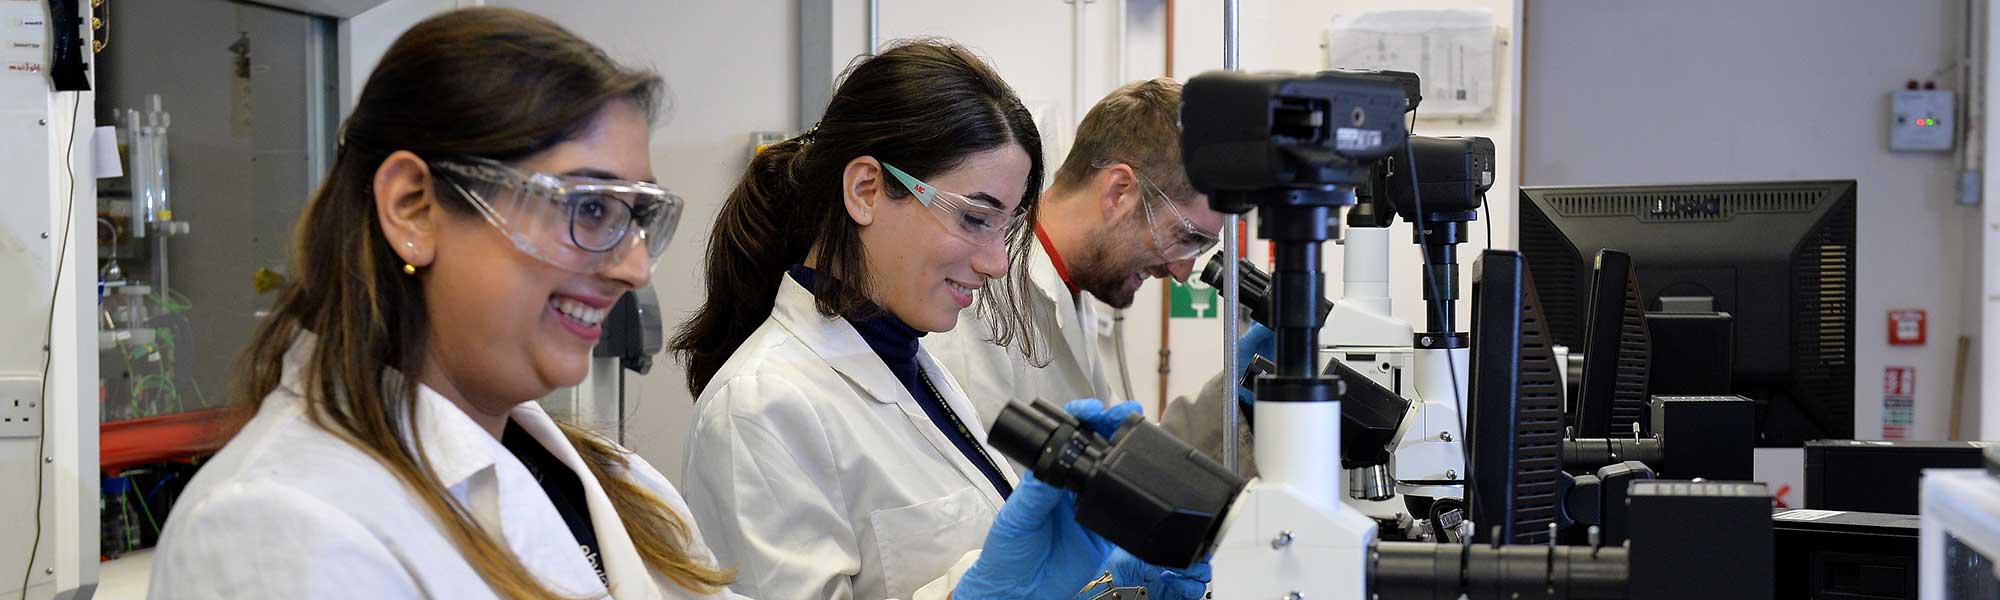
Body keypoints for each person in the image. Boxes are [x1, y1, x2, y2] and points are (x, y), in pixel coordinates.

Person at [147, 8, 739, 598]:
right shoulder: (274, 528)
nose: (634, 269)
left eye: (637, 218)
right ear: (414, 208)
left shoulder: (619, 486)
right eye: (588, 208)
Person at [672, 40, 1208, 599]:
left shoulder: (920, 368)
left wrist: (1102, 589)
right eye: (976, 218)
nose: (997, 262)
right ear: (866, 191)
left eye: (1005, 228)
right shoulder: (760, 407)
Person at [925, 78, 1268, 471]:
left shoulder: (1070, 293)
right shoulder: (977, 302)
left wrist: (1239, 394)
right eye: (1185, 237)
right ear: (1119, 192)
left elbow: (1115, 468)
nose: (1180, 271)